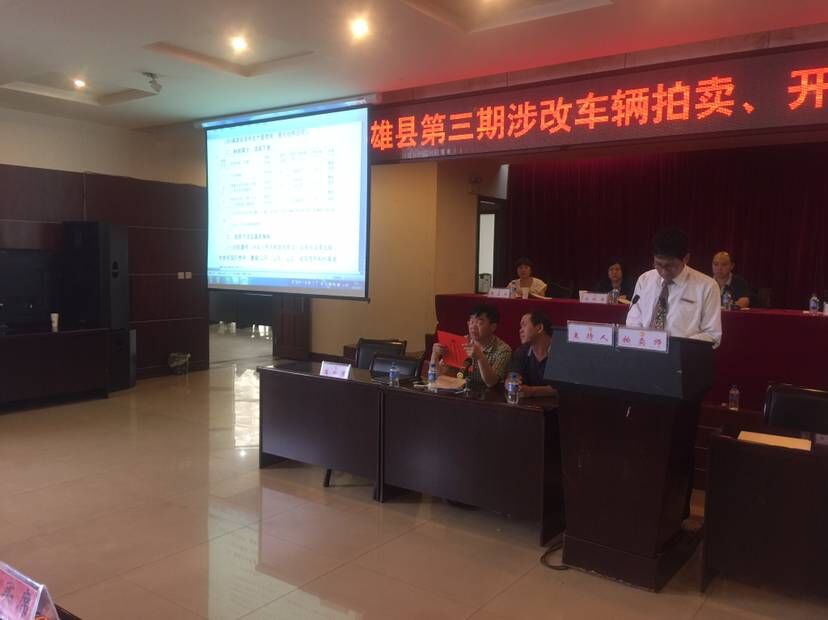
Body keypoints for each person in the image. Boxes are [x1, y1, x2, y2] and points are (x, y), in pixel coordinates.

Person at [626, 228, 722, 347]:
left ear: (686, 259)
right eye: (658, 264)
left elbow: (712, 334)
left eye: (670, 266)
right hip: (644, 350)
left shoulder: (707, 286)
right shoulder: (645, 280)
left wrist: (676, 347)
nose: (663, 271)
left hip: (685, 354)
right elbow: (633, 320)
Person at [431, 303, 511, 388]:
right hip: (461, 392)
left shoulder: (503, 350)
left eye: (479, 323)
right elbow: (439, 376)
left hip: (489, 394)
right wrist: (434, 356)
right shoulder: (461, 342)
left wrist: (480, 357)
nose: (473, 326)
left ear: (493, 327)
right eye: (471, 322)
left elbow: (491, 382)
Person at [508, 311, 557, 398]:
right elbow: (512, 376)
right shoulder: (521, 351)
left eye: (524, 325)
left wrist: (531, 391)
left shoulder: (560, 351)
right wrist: (512, 382)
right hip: (528, 404)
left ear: (539, 328)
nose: (520, 330)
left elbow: (562, 389)